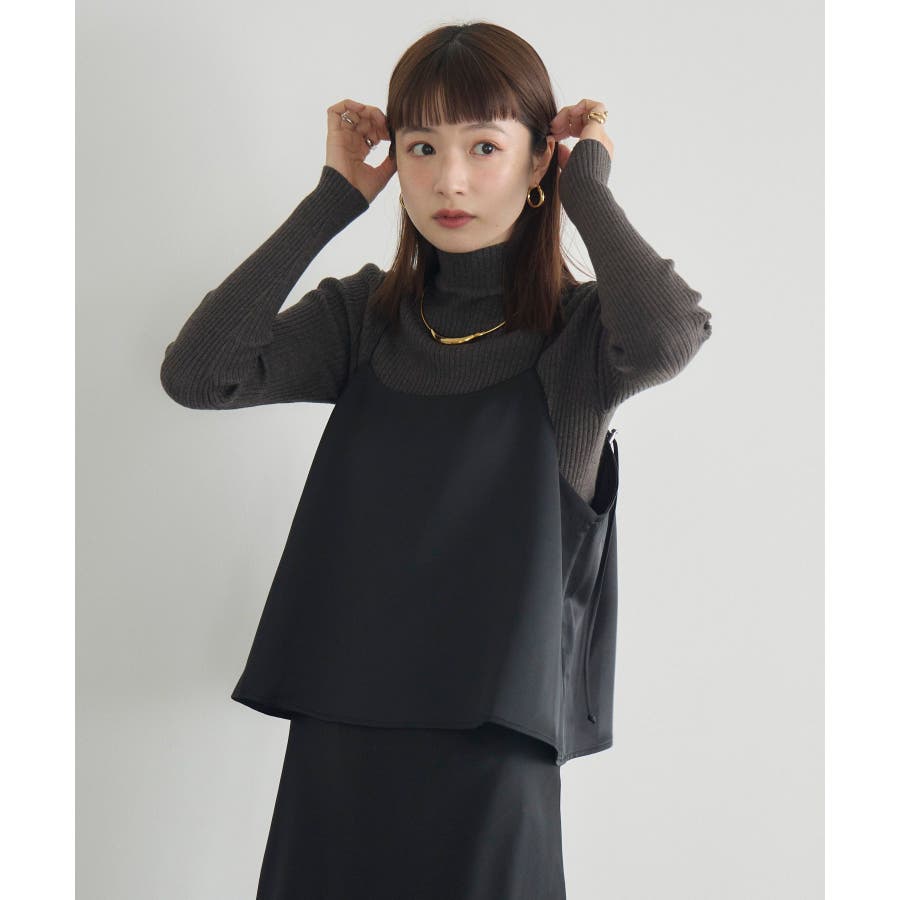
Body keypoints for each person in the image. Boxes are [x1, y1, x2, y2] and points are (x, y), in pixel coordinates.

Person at [160, 20, 712, 900]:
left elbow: (670, 335)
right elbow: (200, 375)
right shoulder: (367, 320)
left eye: (485, 146)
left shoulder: (579, 339)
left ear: (540, 160)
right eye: (422, 146)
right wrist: (332, 200)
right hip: (340, 744)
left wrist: (589, 189)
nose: (448, 180)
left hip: (495, 754)